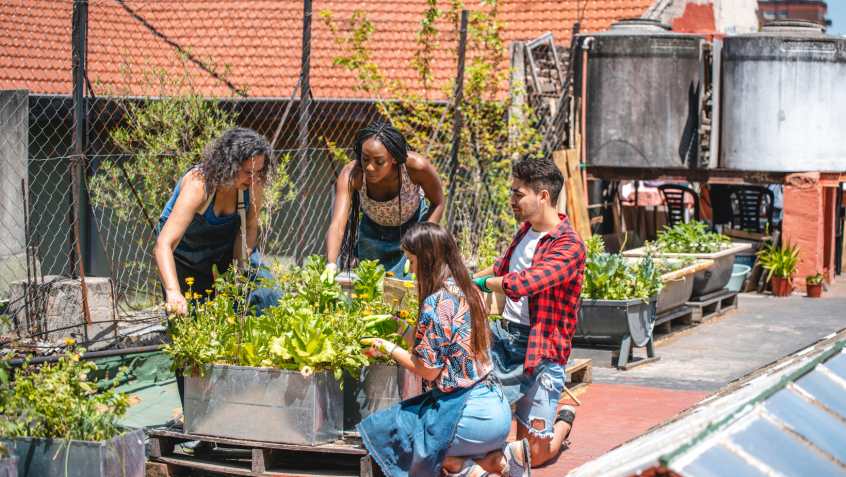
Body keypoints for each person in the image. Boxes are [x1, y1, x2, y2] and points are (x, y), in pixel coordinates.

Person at [155, 128, 283, 454]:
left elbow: (249, 227)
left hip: (225, 256)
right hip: (184, 264)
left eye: (258, 171)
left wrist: (242, 270)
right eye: (246, 171)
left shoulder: (252, 184)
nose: (252, 177)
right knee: (192, 341)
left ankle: (258, 409)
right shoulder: (200, 185)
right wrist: (173, 292)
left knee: (267, 296)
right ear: (227, 163)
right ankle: (200, 424)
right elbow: (164, 245)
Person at [357, 222, 511, 477]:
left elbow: (428, 370)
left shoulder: (435, 301)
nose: (409, 269)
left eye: (412, 261)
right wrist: (400, 327)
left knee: (388, 431)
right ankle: (492, 459)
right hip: (498, 410)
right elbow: (444, 347)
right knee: (408, 421)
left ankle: (468, 466)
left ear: (428, 260)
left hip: (470, 418)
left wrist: (385, 347)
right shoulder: (470, 290)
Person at [470, 157, 586, 475]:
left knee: (533, 455)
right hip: (507, 340)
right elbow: (503, 267)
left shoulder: (569, 245)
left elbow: (525, 283)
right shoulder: (525, 231)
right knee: (479, 427)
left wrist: (481, 284)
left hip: (542, 352)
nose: (511, 200)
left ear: (543, 196)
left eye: (518, 194)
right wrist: (462, 280)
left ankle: (562, 424)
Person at [324, 122, 445, 280]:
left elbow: (438, 202)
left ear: (394, 158)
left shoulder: (415, 167)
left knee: (409, 290)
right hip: (373, 233)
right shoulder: (352, 174)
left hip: (413, 228)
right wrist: (331, 264)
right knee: (372, 291)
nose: (370, 168)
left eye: (379, 162)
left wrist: (423, 241)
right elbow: (338, 224)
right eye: (365, 159)